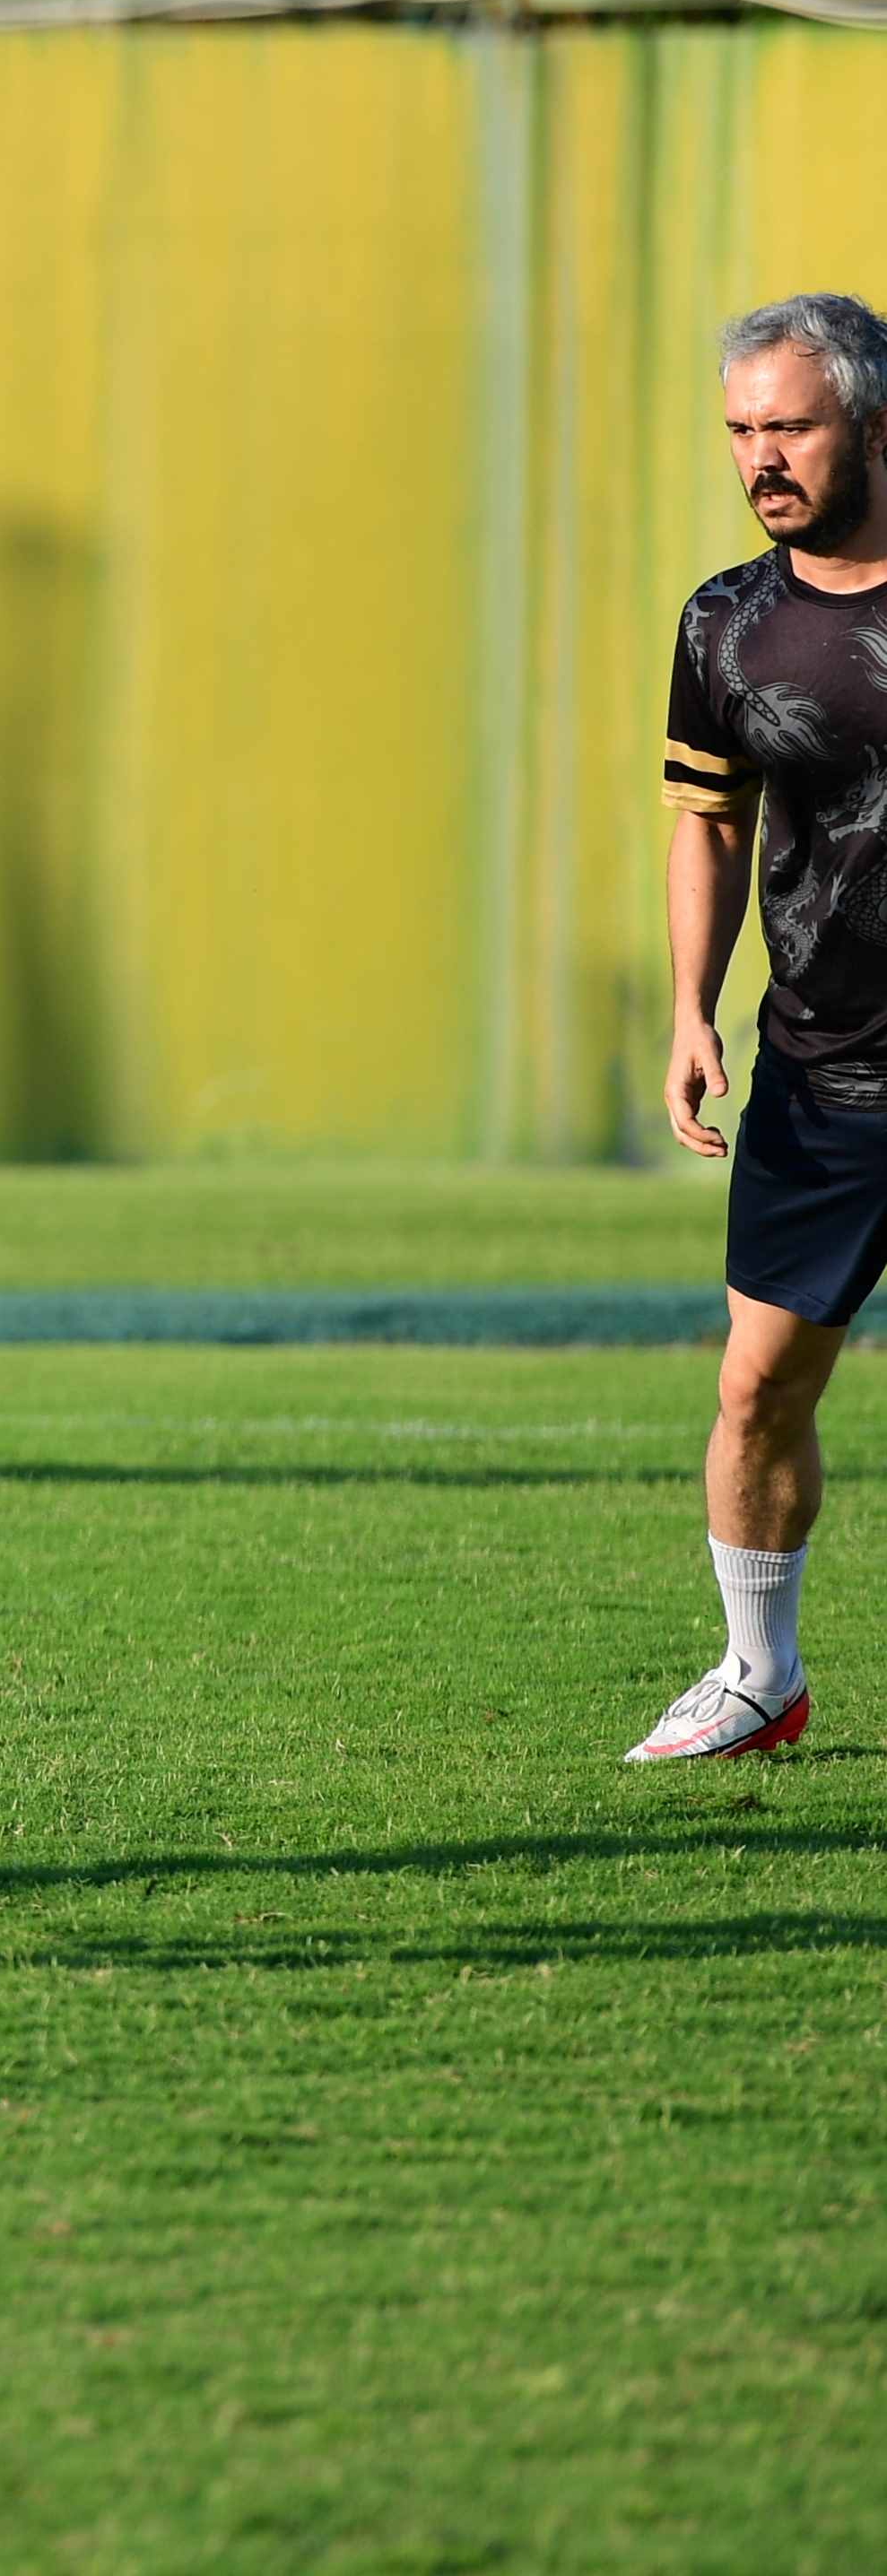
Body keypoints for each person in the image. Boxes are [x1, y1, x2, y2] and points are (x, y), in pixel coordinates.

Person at [639, 290, 887, 1762]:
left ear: (868, 421)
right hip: (824, 1072)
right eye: (739, 429)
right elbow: (707, 821)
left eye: (786, 425)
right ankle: (756, 1675)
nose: (759, 457)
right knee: (756, 1388)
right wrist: (690, 1004)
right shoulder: (727, 622)